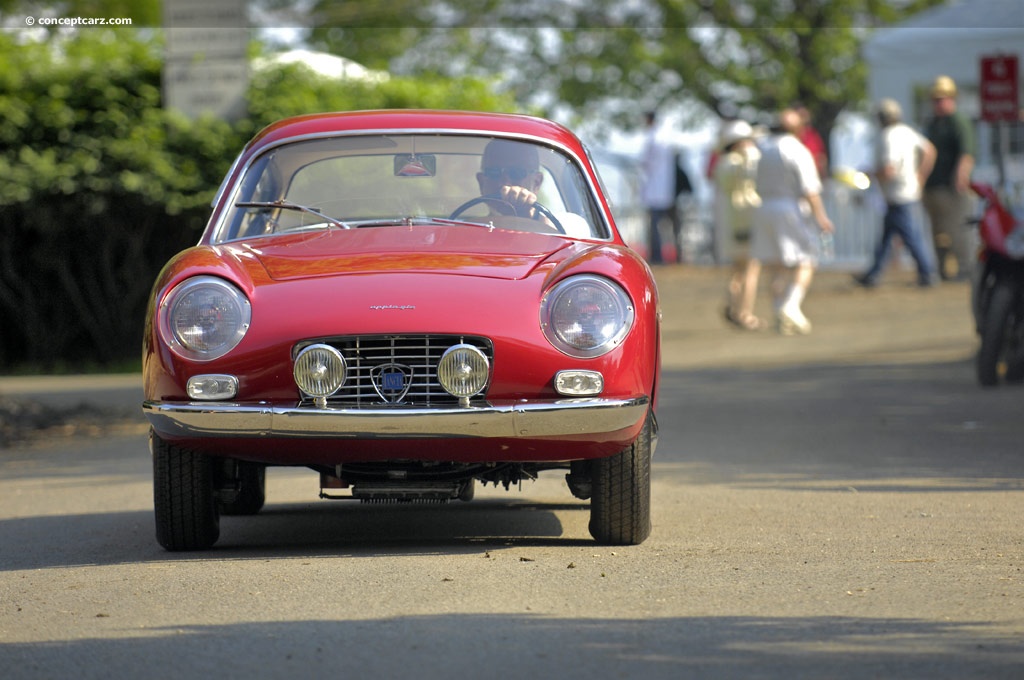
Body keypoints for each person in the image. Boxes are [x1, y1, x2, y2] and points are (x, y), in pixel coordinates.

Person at [751, 108, 834, 335]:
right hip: (790, 208)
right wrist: (821, 216)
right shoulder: (797, 150)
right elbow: (810, 188)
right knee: (806, 259)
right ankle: (791, 305)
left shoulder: (763, 149)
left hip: (765, 207)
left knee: (776, 264)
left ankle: (779, 312)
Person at [854, 99, 938, 288]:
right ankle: (873, 275)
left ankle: (927, 273)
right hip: (906, 192)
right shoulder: (907, 132)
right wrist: (920, 176)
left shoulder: (888, 136)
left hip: (898, 194)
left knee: (910, 236)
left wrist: (870, 174)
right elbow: (930, 151)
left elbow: (889, 170)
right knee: (888, 237)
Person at [922, 75, 976, 281]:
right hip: (934, 185)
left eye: (942, 98)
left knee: (958, 230)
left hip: (952, 187)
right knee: (939, 232)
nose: (938, 103)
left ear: (951, 99)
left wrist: (961, 176)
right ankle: (943, 268)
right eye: (935, 99)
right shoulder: (933, 123)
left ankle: (965, 268)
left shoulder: (958, 121)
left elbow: (967, 153)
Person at [714, 119, 763, 330]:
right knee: (751, 268)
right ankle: (745, 313)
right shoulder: (746, 160)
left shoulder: (722, 163)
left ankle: (734, 307)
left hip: (728, 221)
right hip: (747, 217)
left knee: (737, 269)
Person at [640, 110, 677, 264]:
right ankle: (672, 255)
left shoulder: (652, 138)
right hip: (666, 189)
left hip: (654, 190)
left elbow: (646, 162)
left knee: (654, 226)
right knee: (670, 227)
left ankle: (657, 255)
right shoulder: (665, 138)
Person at [793, 102, 829, 179]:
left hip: (813, 176)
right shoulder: (791, 137)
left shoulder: (812, 134)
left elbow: (821, 156)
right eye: (801, 115)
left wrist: (823, 174)